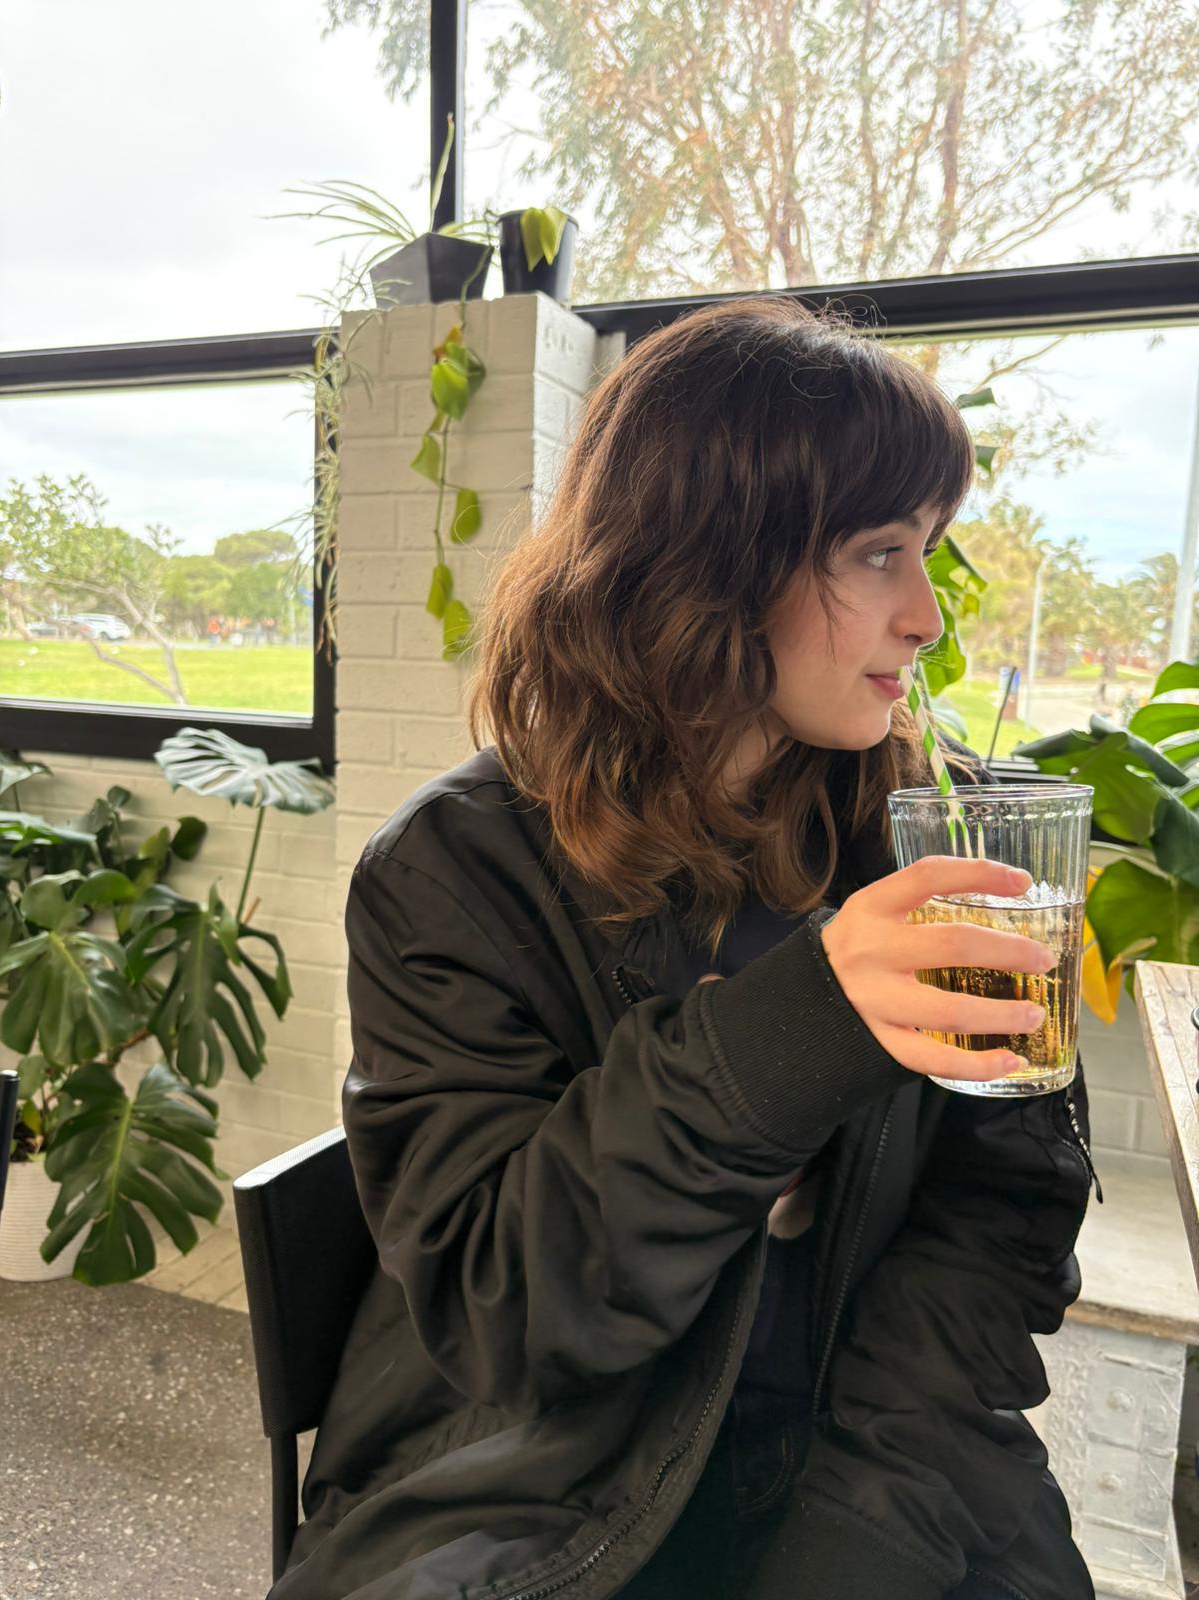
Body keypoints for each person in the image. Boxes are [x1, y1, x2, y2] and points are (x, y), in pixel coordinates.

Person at [270, 297, 1097, 1600]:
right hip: (541, 1483)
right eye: (880, 553)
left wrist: (863, 1536)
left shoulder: (935, 833)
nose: (928, 616)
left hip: (878, 1448)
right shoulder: (453, 875)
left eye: (929, 550)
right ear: (712, 560)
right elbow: (506, 1309)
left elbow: (998, 1227)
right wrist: (802, 1028)